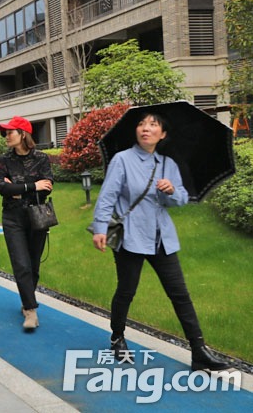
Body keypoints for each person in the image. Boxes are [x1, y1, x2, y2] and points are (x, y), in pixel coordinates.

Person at [91, 113, 229, 371]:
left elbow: (180, 200)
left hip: (162, 238)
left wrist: (171, 191)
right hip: (130, 237)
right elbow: (107, 196)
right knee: (126, 290)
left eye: (153, 125)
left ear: (163, 134)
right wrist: (100, 228)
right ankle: (117, 337)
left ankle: (199, 351)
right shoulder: (122, 160)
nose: (146, 128)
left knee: (180, 294)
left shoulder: (168, 165)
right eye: (142, 124)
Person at [0, 116, 53, 331]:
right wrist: (31, 186)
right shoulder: (4, 160)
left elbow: (47, 187)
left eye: (10, 132)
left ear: (23, 134)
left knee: (33, 265)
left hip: (37, 217)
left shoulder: (41, 158)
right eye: (5, 132)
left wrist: (17, 188)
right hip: (12, 217)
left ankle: (26, 299)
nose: (6, 135)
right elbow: (3, 189)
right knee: (21, 264)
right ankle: (30, 310)